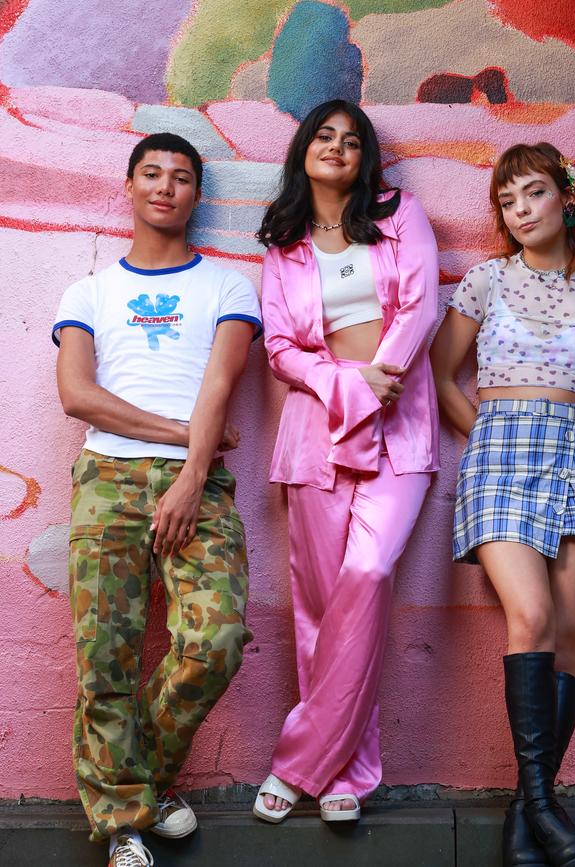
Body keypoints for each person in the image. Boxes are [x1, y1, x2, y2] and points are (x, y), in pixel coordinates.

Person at [430, 142, 575, 867]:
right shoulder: (486, 281)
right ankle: (550, 809)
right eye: (506, 200)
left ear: (566, 197)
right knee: (531, 617)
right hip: (498, 456)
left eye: (532, 194)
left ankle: (528, 821)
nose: (520, 211)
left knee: (572, 629)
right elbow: (442, 372)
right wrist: (486, 434)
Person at [53, 132, 262, 867]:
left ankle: (130, 781)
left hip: (196, 482)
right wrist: (181, 434)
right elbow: (79, 394)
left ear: (197, 196)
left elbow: (219, 387)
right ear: (130, 186)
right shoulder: (90, 291)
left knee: (216, 640)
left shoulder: (228, 287)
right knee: (104, 658)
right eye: (152, 174)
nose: (166, 187)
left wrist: (189, 471)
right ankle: (125, 824)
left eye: (181, 177)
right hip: (106, 480)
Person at [252, 99, 440, 823]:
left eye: (351, 140)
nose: (337, 146)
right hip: (313, 441)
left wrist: (377, 382)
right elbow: (279, 349)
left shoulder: (400, 213)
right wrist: (346, 382)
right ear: (304, 149)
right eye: (324, 136)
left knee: (367, 575)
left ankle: (299, 761)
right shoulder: (284, 239)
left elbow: (420, 311)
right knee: (320, 608)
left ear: (367, 158)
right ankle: (345, 774)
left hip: (400, 432)